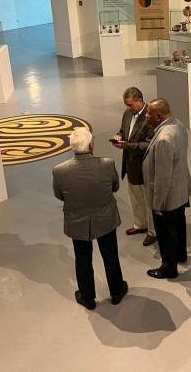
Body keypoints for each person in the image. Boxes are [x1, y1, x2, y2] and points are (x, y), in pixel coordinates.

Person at [52, 128, 128, 309]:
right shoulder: (107, 164)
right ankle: (117, 291)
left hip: (77, 221)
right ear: (91, 145)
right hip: (105, 218)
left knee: (82, 258)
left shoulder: (59, 171)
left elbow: (59, 195)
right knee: (110, 255)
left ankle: (87, 297)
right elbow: (115, 187)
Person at [142, 98, 191, 279]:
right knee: (179, 226)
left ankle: (168, 268)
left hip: (168, 197)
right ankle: (180, 254)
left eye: (148, 113)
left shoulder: (164, 139)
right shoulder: (178, 124)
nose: (146, 116)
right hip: (180, 189)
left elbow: (162, 177)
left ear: (159, 115)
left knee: (166, 234)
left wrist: (157, 204)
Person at [112, 87, 157, 247]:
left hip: (144, 167)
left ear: (139, 100)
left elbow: (150, 144)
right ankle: (140, 224)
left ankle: (153, 231)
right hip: (130, 165)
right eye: (126, 105)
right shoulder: (127, 113)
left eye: (130, 104)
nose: (128, 108)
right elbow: (123, 130)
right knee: (136, 198)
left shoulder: (150, 117)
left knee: (148, 200)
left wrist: (128, 146)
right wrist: (119, 136)